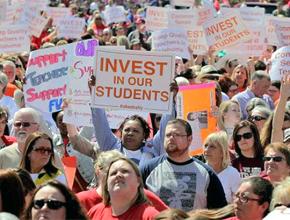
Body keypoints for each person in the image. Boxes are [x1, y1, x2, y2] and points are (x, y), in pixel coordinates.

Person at [140, 119, 227, 211]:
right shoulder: (147, 169)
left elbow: (220, 212)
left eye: (177, 135)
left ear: (189, 139)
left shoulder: (207, 173)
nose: (171, 138)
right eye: (168, 135)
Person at [77, 150, 168, 212]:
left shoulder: (142, 195)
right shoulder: (81, 200)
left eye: (123, 171)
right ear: (98, 171)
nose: (118, 176)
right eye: (112, 171)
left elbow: (170, 216)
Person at [88, 157, 160, 219]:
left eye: (125, 171)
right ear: (107, 185)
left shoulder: (150, 216)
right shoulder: (95, 212)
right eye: (113, 173)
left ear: (138, 181)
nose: (118, 175)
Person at [52, 110, 94, 192]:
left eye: (67, 119)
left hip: (91, 185)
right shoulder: (54, 143)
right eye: (60, 121)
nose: (64, 122)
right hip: (72, 192)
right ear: (57, 125)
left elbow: (91, 121)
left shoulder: (82, 136)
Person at [203, 131, 241, 203]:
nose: (206, 150)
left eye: (212, 147)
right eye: (206, 146)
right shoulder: (200, 171)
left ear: (222, 152)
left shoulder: (232, 173)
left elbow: (237, 201)